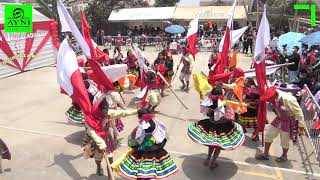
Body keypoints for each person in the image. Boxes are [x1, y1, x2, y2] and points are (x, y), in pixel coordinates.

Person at [188, 87, 245, 169]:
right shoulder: (224, 104)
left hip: (211, 125)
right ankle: (213, 162)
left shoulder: (208, 102)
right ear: (221, 94)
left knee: (211, 144)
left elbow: (207, 113)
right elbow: (231, 116)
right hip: (223, 128)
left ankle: (208, 159)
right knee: (218, 147)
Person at [113, 108, 178, 179]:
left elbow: (133, 144)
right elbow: (163, 139)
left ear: (139, 117)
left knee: (142, 175)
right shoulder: (158, 125)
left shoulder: (139, 129)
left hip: (142, 155)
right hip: (158, 154)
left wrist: (134, 141)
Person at [82, 97, 137, 178]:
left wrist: (137, 111)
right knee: (98, 157)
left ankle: (110, 177)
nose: (107, 111)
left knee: (110, 157)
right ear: (99, 110)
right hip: (96, 141)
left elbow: (122, 113)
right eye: (105, 109)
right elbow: (93, 133)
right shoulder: (90, 119)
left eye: (108, 109)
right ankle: (98, 166)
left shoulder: (108, 113)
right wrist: (101, 144)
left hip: (107, 139)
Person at [256, 87, 304, 162]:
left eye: (269, 100)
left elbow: (299, 112)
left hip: (288, 121)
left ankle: (284, 156)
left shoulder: (288, 99)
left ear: (274, 95)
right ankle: (265, 154)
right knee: (268, 135)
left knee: (284, 140)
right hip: (278, 119)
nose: (269, 101)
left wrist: (301, 125)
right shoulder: (274, 96)